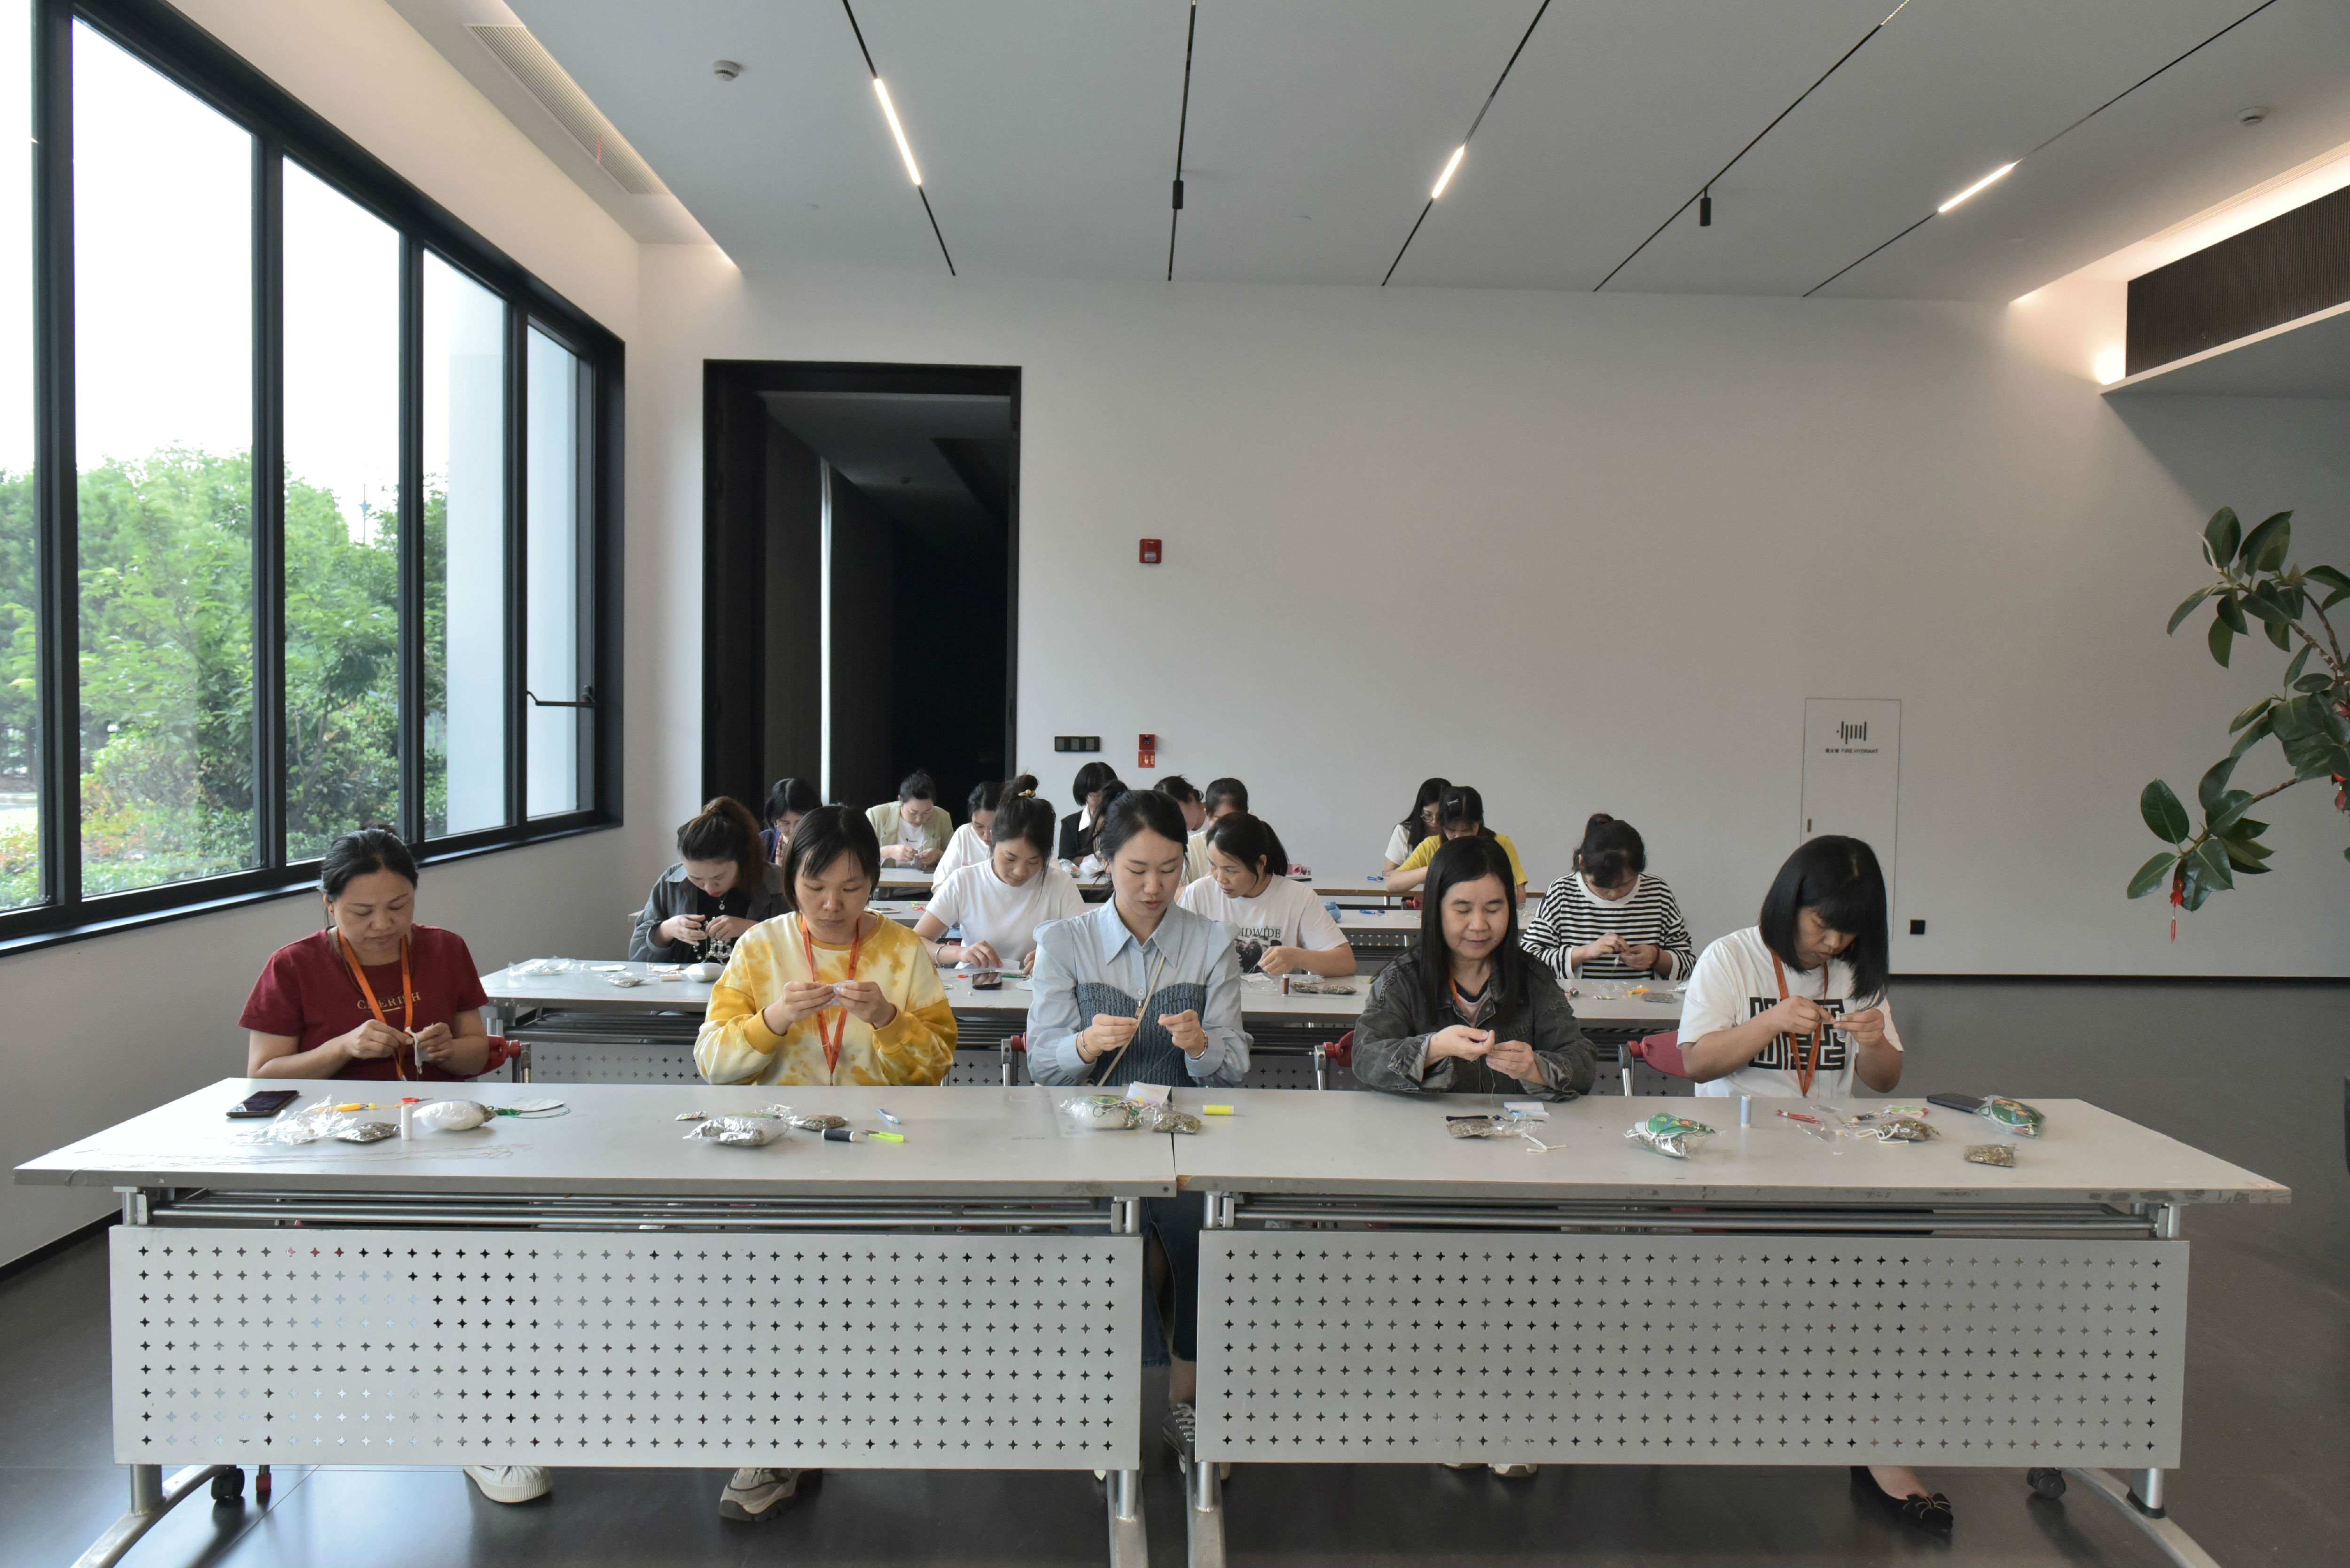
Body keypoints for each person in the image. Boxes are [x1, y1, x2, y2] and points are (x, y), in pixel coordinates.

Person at [240, 826, 544, 1506]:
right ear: (328, 904)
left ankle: (492, 1419)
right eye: (362, 911)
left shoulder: (444, 949)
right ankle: (429, 1407)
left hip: (447, 1145)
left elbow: (479, 1050)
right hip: (339, 1157)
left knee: (498, 1264)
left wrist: (450, 1050)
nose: (383, 924)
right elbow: (261, 1073)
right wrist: (343, 1047)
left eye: (398, 906)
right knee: (394, 1282)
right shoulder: (292, 965)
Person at [1677, 835, 1944, 1536]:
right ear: (1788, 902)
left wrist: (1873, 1041)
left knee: (1893, 1258)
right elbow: (1696, 1061)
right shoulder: (1730, 957)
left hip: (1831, 1163)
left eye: (1847, 932)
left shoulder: (1855, 972)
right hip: (1732, 1166)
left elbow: (1884, 1081)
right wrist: (1770, 1019)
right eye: (1821, 925)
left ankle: (1877, 1442)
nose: (1832, 943)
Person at [1353, 833, 1593, 1479]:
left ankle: (1511, 1417)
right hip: (1427, 1165)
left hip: (1518, 1162)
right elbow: (1366, 1056)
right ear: (1434, 907)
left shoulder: (1532, 978)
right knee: (1439, 1292)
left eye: (1493, 907)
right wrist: (1431, 1048)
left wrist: (1538, 1066)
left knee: (1519, 1290)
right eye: (1462, 908)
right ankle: (1451, 1411)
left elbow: (1580, 1061)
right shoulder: (1404, 978)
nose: (1479, 924)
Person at [1026, 788, 1247, 1477]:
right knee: (1107, 1245)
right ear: (1104, 860)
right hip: (1092, 1138)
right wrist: (1083, 1045)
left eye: (1170, 869)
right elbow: (1042, 1064)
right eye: (1136, 870)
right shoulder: (1064, 942)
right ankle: (1106, 1402)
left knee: (1202, 1235)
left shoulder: (1211, 941)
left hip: (1186, 1136)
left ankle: (1187, 1402)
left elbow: (1234, 1067)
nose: (1155, 887)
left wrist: (1202, 1045)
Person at [696, 805, 958, 1091]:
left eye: (850, 889)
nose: (832, 905)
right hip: (779, 1116)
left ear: (872, 882)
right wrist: (776, 1017)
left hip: (879, 1117)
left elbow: (936, 1068)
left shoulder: (904, 949)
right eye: (816, 888)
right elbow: (714, 1067)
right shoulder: (759, 946)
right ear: (791, 880)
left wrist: (888, 1019)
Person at [914, 792, 1085, 974]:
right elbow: (915, 943)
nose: (1020, 872)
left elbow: (1087, 945)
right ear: (993, 841)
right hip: (974, 985)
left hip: (1037, 985)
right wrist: (960, 953)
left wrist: (1059, 956)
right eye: (1010, 858)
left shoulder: (1060, 884)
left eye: (1034, 862)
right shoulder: (965, 881)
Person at [1520, 813, 1694, 983]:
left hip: (1646, 1001)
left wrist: (1657, 958)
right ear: (1582, 863)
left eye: (1625, 884)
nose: (1614, 894)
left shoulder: (1658, 893)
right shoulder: (1562, 892)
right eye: (1602, 887)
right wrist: (1585, 952)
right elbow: (1528, 962)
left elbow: (1689, 965)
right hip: (1575, 1002)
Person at [1180, 811, 1354, 977]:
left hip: (1277, 999)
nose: (1220, 879)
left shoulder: (1298, 897)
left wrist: (1297, 957)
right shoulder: (1198, 894)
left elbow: (1346, 963)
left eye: (1231, 870)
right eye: (1213, 866)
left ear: (1261, 864)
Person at [630, 797, 787, 964]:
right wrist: (666, 931)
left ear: (742, 860)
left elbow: (802, 949)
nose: (709, 887)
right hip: (684, 980)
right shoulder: (672, 882)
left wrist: (754, 930)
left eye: (719, 877)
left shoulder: (779, 883)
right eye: (696, 878)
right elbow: (637, 955)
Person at [1384, 785, 1528, 900]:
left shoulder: (1500, 844)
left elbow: (1520, 895)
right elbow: (1393, 884)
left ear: (1479, 822)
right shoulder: (1431, 846)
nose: (1459, 837)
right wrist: (1433, 869)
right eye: (1451, 830)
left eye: (1466, 830)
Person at [933, 774, 1037, 884]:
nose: (987, 836)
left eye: (994, 827)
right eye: (979, 826)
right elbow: (940, 883)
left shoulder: (1019, 838)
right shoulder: (965, 834)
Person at [869, 770, 951, 867]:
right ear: (900, 800)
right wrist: (888, 852)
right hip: (887, 877)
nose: (919, 819)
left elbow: (958, 859)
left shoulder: (942, 817)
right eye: (913, 812)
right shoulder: (876, 816)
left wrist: (939, 855)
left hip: (928, 878)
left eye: (927, 812)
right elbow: (859, 855)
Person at [1188, 775, 1248, 882]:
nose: (1226, 829)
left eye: (1232, 821)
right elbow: (1177, 891)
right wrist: (1206, 882)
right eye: (1219, 821)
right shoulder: (1192, 847)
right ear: (1207, 815)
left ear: (1246, 815)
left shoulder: (1256, 842)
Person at [1057, 760, 1120, 862]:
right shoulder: (1070, 824)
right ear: (1084, 795)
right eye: (1096, 796)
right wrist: (1092, 859)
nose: (1103, 800)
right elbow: (1066, 861)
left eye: (1107, 795)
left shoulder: (1124, 820)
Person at [1381, 776, 1449, 871]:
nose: (1434, 822)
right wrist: (1425, 873)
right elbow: (1388, 873)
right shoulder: (1404, 832)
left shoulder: (1455, 833)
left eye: (1440, 816)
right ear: (1420, 810)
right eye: (1428, 815)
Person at [759, 775, 821, 865]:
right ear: (774, 820)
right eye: (785, 823)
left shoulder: (825, 845)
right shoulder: (765, 841)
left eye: (800, 822)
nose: (793, 830)